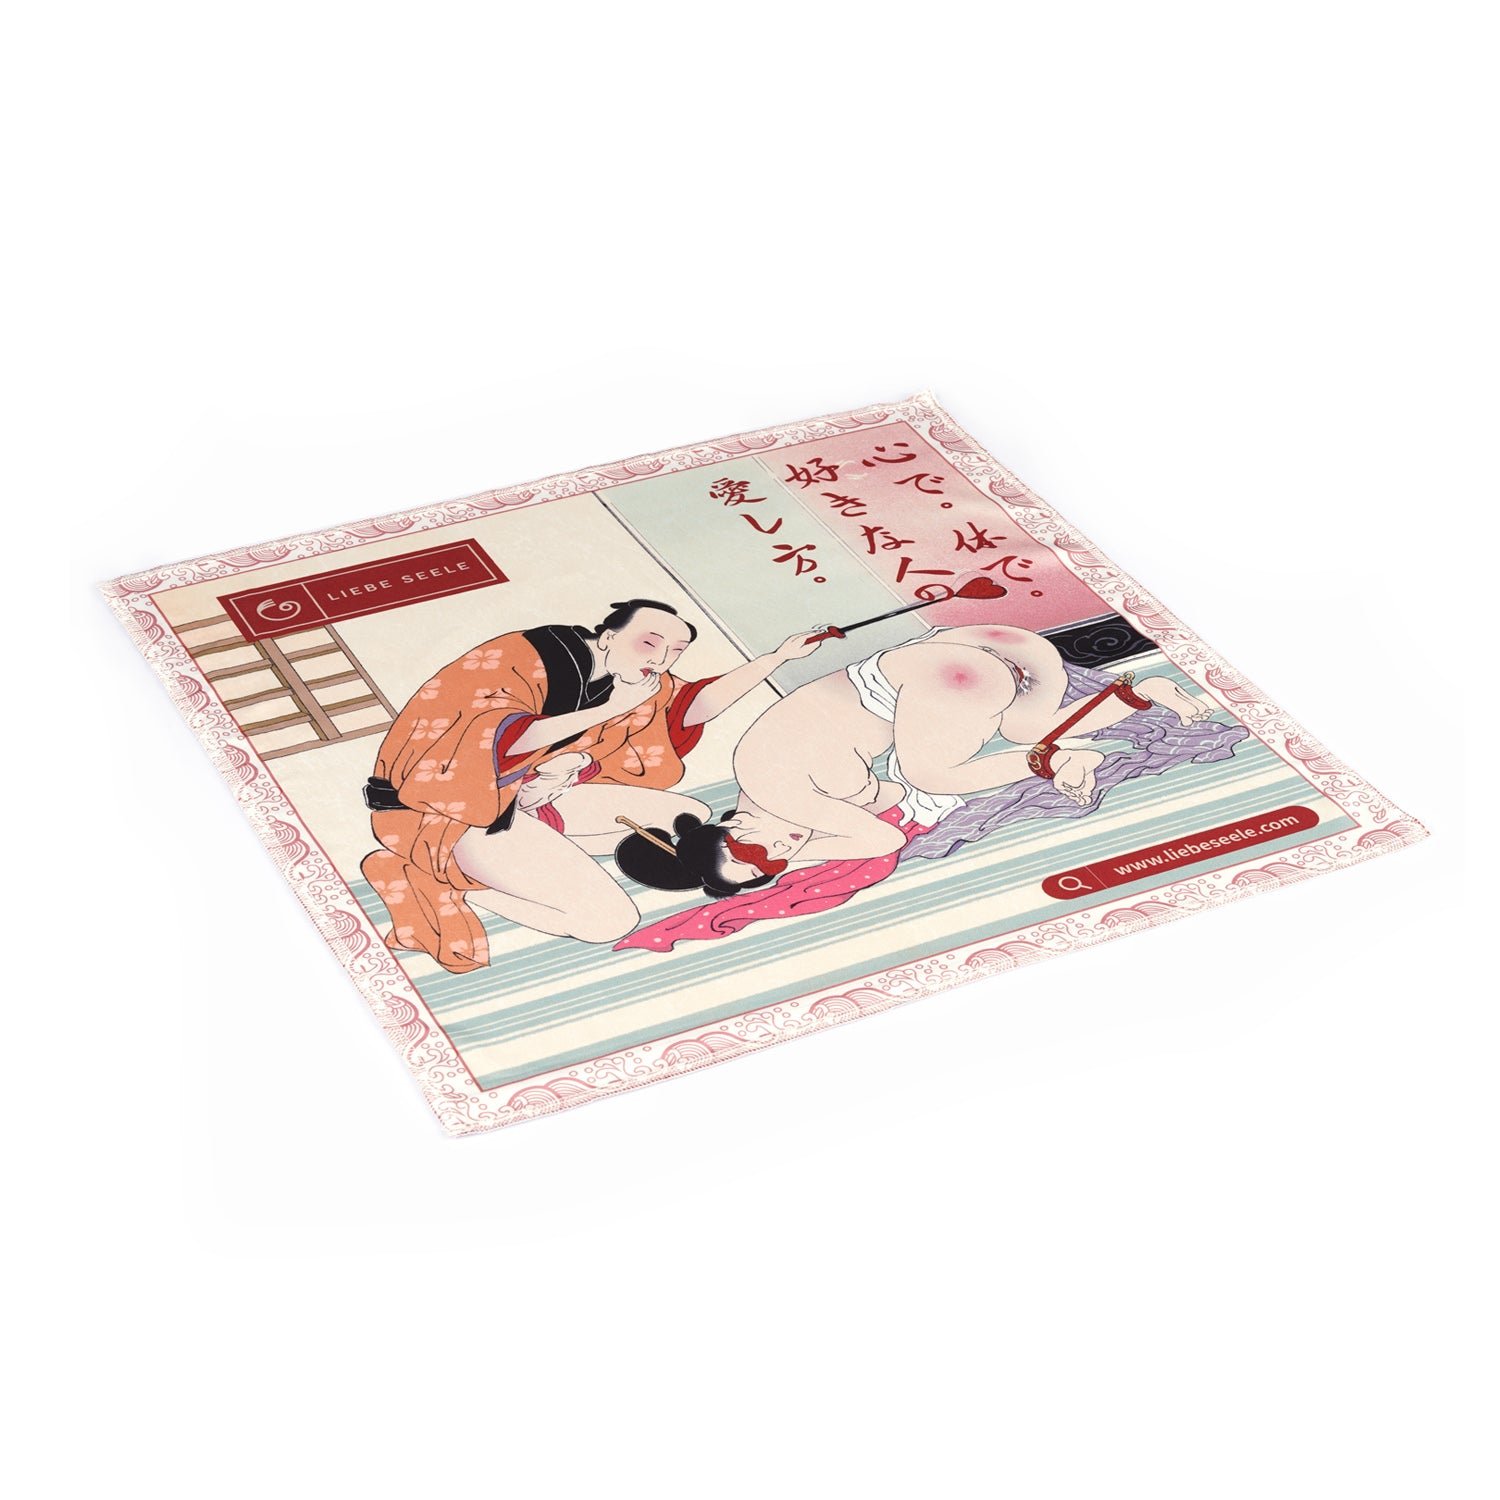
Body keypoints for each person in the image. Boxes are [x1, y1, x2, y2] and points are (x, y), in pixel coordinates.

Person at [360, 599, 829, 970]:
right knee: (609, 921)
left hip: (525, 797)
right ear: (607, 636)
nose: (661, 660)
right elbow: (489, 739)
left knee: (690, 815)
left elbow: (689, 707)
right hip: (447, 813)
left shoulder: (625, 678)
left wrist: (778, 657)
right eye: (650, 644)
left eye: (675, 652)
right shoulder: (519, 660)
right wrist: (606, 714)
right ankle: (456, 882)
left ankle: (534, 847)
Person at [614, 622, 1217, 906]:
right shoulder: (775, 783)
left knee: (931, 774)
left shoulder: (778, 793)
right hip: (997, 648)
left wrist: (801, 856)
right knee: (1022, 727)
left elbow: (883, 836)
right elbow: (879, 797)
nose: (781, 851)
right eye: (770, 867)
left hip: (950, 673)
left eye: (755, 851)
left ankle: (1055, 762)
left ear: (731, 826)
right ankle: (1139, 696)